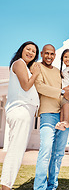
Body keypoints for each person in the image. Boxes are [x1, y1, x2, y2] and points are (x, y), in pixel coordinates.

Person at [33, 44, 69, 190]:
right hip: (47, 114)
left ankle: (52, 186)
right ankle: (39, 187)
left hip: (61, 115)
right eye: (46, 53)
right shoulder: (37, 66)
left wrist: (68, 98)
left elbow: (63, 94)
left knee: (58, 154)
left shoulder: (58, 72)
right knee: (45, 151)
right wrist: (63, 92)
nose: (49, 56)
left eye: (52, 54)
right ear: (42, 53)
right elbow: (40, 87)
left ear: (55, 56)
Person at [0, 41, 40, 190]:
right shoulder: (19, 63)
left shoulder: (25, 67)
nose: (31, 52)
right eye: (28, 49)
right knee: (16, 151)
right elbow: (26, 85)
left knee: (17, 150)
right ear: (21, 50)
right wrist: (36, 74)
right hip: (20, 111)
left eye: (34, 51)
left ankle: (6, 185)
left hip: (25, 112)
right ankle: (6, 186)